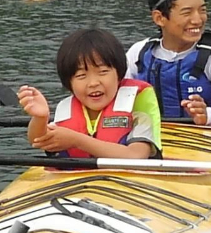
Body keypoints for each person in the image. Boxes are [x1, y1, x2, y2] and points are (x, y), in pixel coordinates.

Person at [17, 28, 161, 160]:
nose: (93, 83)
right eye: (81, 76)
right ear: (69, 83)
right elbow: (39, 140)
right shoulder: (67, 108)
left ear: (119, 75)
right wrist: (40, 118)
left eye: (103, 72)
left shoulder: (136, 106)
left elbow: (136, 156)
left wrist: (77, 141)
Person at [126, 0, 211, 127]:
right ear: (159, 18)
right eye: (187, 12)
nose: (198, 20)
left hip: (204, 139)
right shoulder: (138, 53)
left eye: (202, 10)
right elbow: (119, 101)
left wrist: (208, 114)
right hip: (147, 138)